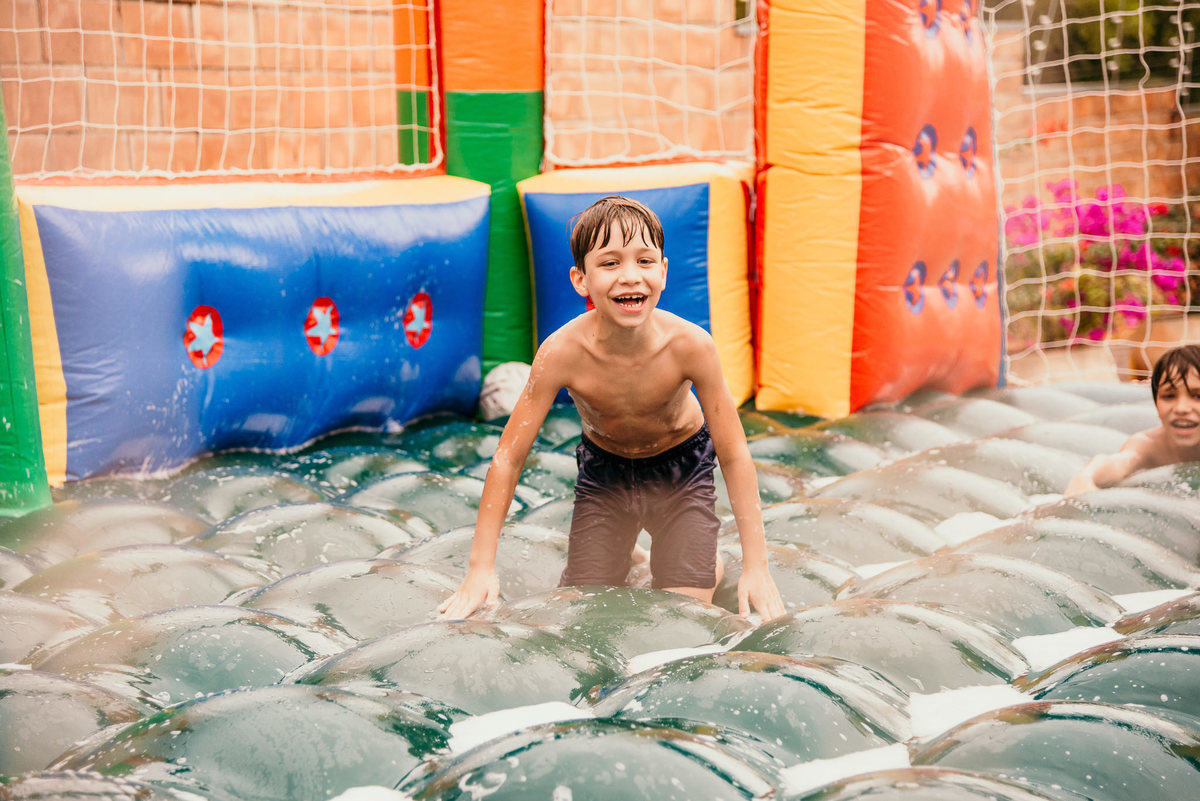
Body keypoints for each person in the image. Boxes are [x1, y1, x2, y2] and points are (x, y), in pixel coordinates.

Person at [439, 195, 785, 621]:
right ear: (580, 279)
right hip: (605, 475)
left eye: (644, 261)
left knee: (682, 615)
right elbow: (508, 458)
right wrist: (480, 569)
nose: (630, 276)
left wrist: (756, 567)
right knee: (585, 611)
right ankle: (626, 543)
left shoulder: (691, 346)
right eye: (610, 263)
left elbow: (733, 454)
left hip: (681, 471)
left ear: (663, 271)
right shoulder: (561, 353)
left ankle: (700, 557)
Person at [1065, 344, 1200, 496]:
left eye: (1197, 396)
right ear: (1156, 402)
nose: (1181, 408)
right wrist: (1084, 478)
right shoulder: (1150, 445)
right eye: (1169, 396)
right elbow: (1117, 463)